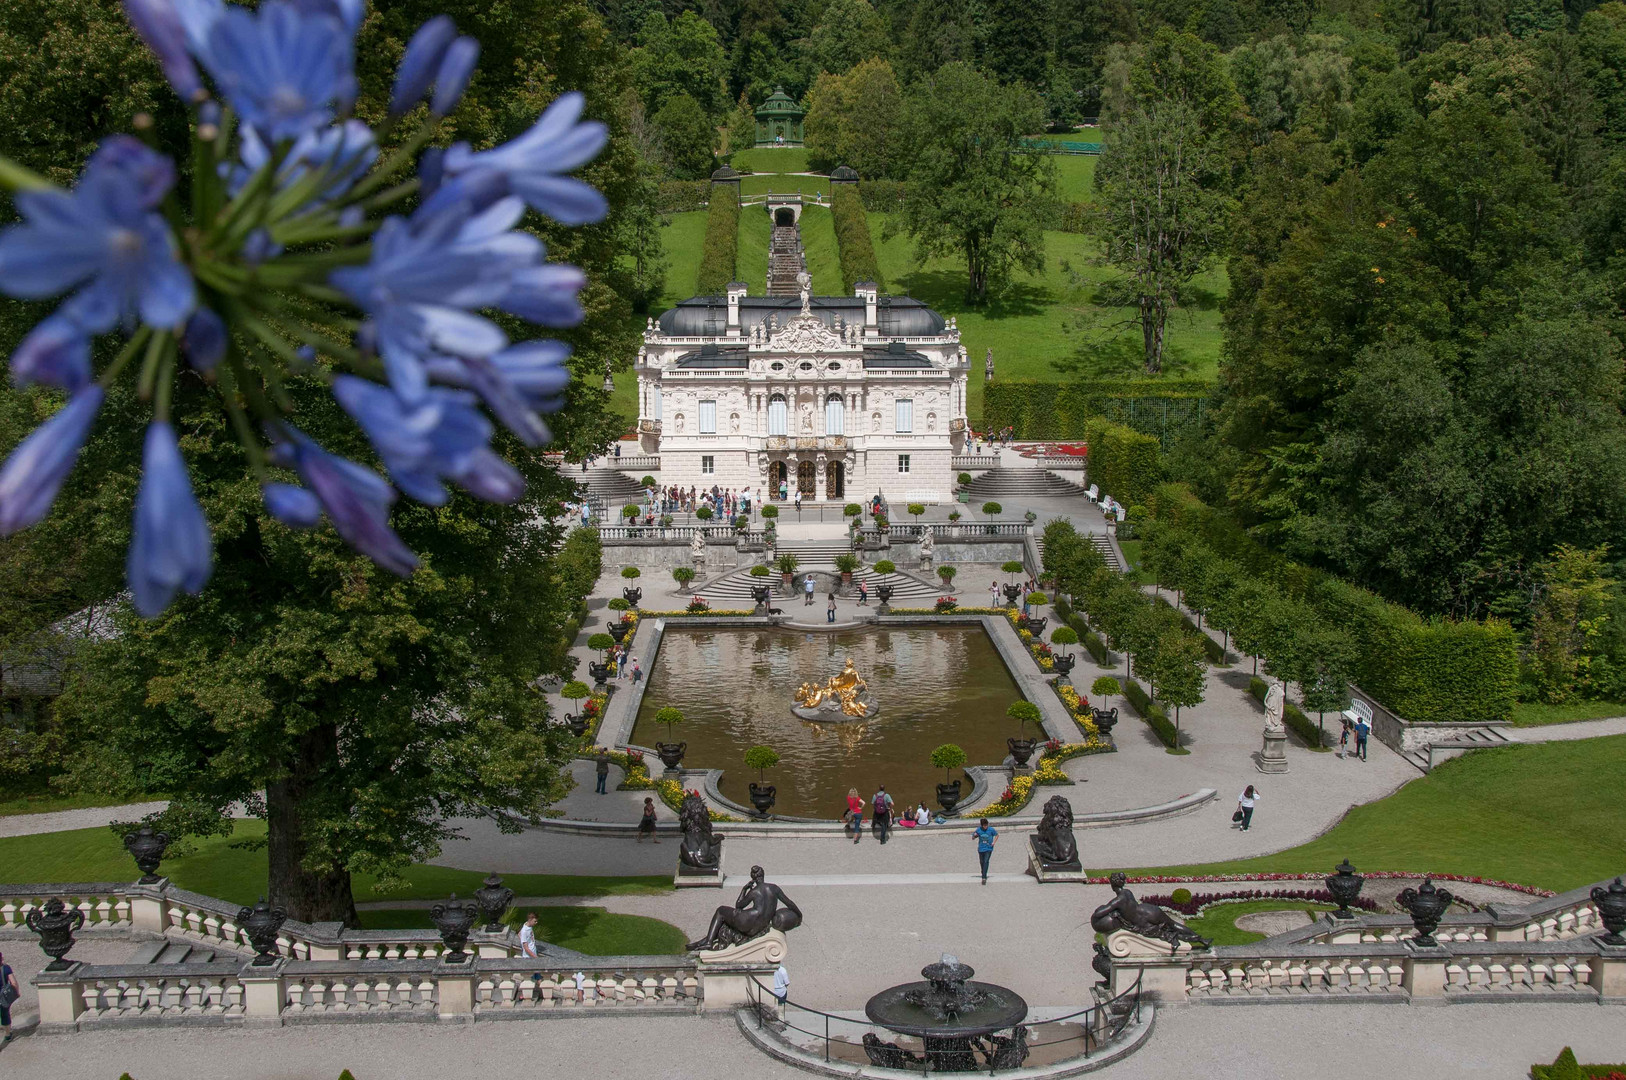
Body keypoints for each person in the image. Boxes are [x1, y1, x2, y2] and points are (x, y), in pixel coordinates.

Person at [973, 817, 998, 884]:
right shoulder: (978, 830)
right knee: (981, 861)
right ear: (981, 825)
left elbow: (997, 835)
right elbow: (973, 837)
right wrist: (975, 836)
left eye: (986, 825)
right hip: (981, 848)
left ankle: (984, 877)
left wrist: (994, 842)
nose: (985, 827)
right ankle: (983, 871)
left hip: (989, 848)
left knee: (986, 861)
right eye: (984, 825)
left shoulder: (991, 829)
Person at [0, 949, 16, 1045]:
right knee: (5, 1014)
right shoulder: (6, 968)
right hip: (3, 996)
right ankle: (7, 1033)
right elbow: (13, 982)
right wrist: (16, 992)